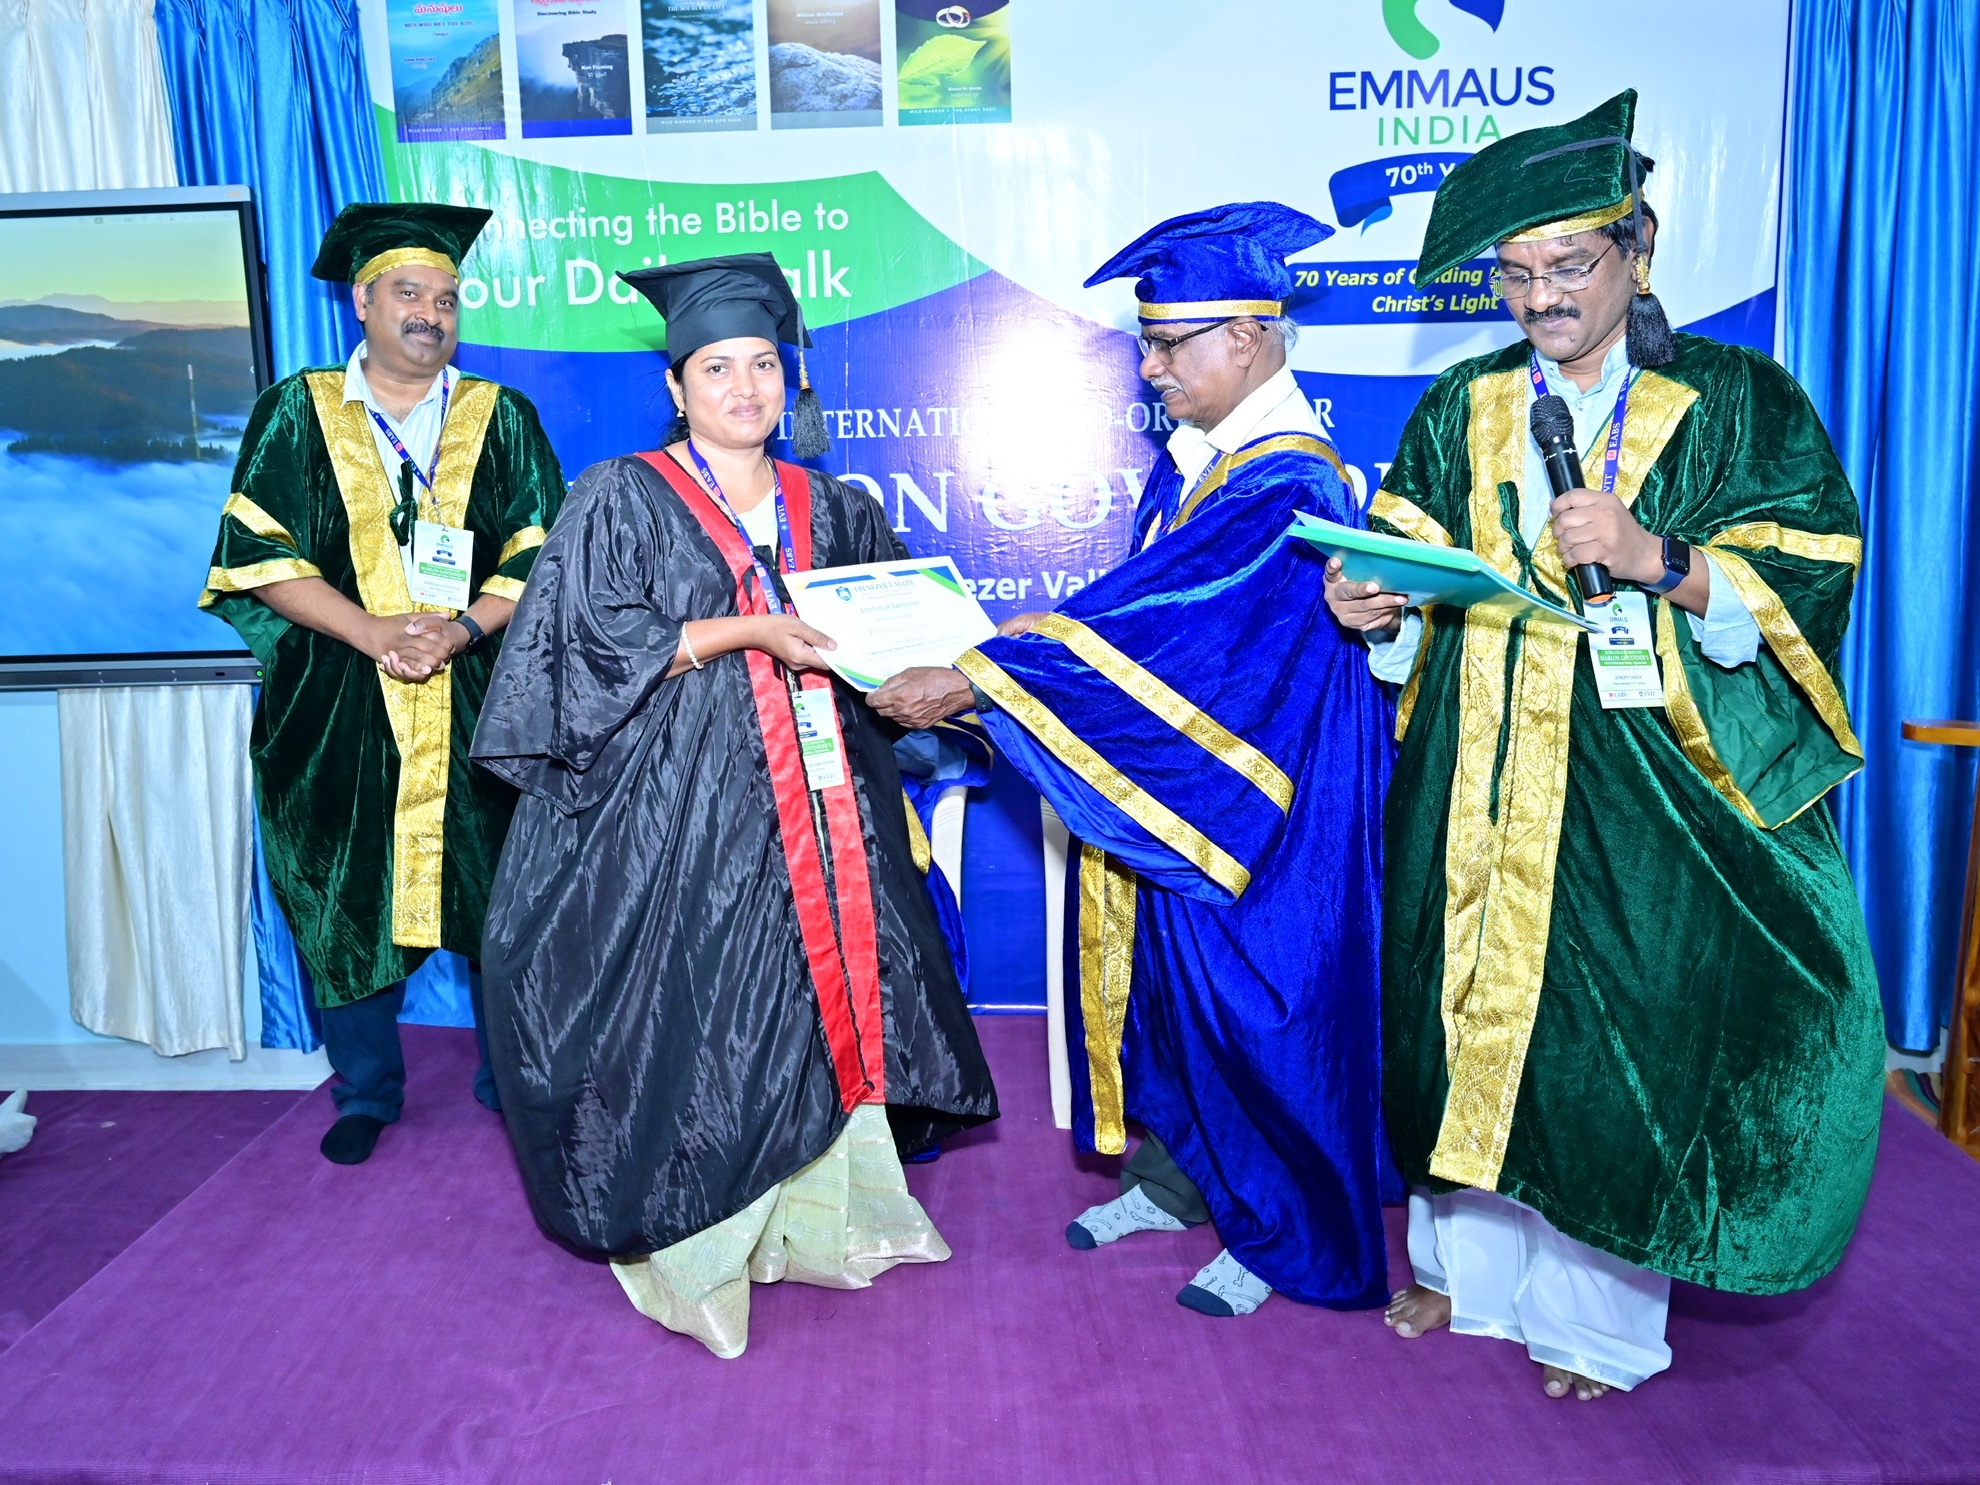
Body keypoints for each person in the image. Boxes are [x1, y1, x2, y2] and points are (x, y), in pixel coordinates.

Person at [1324, 90, 1883, 1400]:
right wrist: (1376, 606)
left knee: (1616, 1039)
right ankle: (1465, 1268)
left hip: (1642, 785)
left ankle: (1596, 1324)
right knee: (1459, 1013)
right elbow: (1405, 564)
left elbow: (1809, 575)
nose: (1542, 298)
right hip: (1473, 775)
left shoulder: (1737, 401)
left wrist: (1656, 557)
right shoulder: (1459, 404)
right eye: (1516, 274)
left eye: (1569, 265)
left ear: (1639, 247)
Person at [470, 252, 998, 1360]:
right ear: (676, 385)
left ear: (788, 375)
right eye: (717, 367)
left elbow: (894, 632)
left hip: (824, 813)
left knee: (815, 1008)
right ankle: (700, 1247)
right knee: (705, 1018)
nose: (745, 386)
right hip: (675, 820)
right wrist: (743, 631)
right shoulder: (621, 495)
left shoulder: (835, 505)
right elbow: (578, 648)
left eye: (763, 362)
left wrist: (948, 669)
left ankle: (825, 1217)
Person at [870, 203, 1394, 1318]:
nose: (1149, 369)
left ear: (1245, 338)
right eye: (1147, 345)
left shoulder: (1287, 486)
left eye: (1165, 345)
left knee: (1263, 1012)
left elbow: (1181, 637)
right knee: (1175, 998)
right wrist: (1019, 648)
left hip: (1265, 806)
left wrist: (978, 680)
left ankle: (1290, 1235)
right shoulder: (1199, 463)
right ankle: (1182, 1180)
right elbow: (1132, 613)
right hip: (1193, 785)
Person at [199, 203, 564, 1166]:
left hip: (477, 692)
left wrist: (460, 628)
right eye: (409, 293)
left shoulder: (500, 416)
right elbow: (255, 553)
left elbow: (539, 553)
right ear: (362, 302)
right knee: (342, 888)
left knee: (500, 892)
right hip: (336, 701)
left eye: (446, 298)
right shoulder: (298, 409)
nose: (430, 314)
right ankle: (365, 1089)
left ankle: (513, 1080)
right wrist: (370, 631)